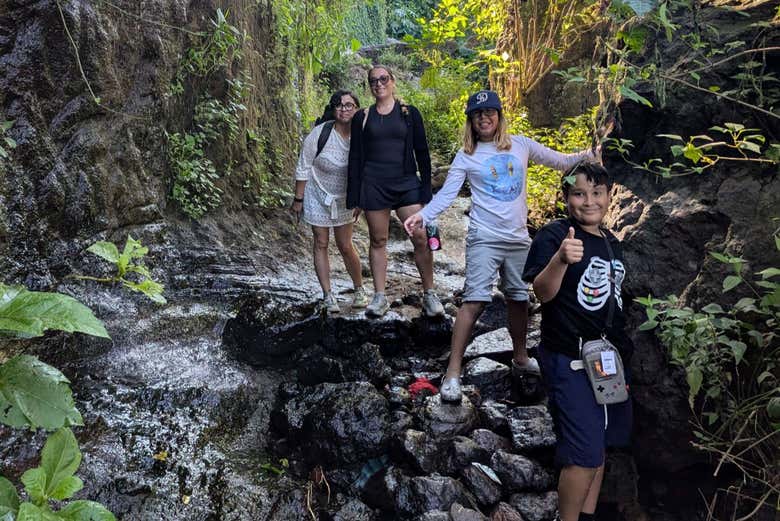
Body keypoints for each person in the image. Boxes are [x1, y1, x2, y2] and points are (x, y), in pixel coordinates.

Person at [404, 90, 598, 403]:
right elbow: (447, 195)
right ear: (471, 120)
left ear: (499, 116)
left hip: (519, 237)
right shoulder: (466, 155)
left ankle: (520, 358)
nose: (484, 118)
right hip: (484, 236)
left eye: (490, 112)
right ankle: (452, 372)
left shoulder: (520, 144)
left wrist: (592, 151)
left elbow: (560, 162)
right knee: (474, 301)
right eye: (478, 114)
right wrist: (422, 216)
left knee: (519, 298)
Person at [521, 162, 633, 521]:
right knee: (583, 452)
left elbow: (615, 306)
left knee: (598, 450)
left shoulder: (613, 244)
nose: (589, 202)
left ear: (608, 196)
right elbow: (541, 292)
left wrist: (622, 369)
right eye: (579, 193)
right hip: (567, 357)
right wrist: (559, 260)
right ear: (566, 197)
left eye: (597, 193)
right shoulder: (555, 235)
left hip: (606, 361)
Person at [347, 65, 443, 318]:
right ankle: (379, 296)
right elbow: (355, 157)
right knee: (378, 240)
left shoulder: (409, 114)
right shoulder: (362, 117)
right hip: (374, 184)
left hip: (406, 183)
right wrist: (354, 197)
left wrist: (426, 194)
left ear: (392, 81)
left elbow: (422, 153)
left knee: (420, 236)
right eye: (373, 81)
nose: (378, 84)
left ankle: (430, 294)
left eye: (383, 79)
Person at [292, 90, 368, 313]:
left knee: (345, 245)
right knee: (321, 242)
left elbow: (366, 169)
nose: (344, 109)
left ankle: (360, 289)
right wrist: (298, 199)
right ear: (333, 109)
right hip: (317, 194)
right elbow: (304, 165)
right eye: (339, 105)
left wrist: (360, 199)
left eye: (349, 105)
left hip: (345, 196)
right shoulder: (320, 133)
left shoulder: (362, 136)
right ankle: (328, 295)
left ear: (357, 109)